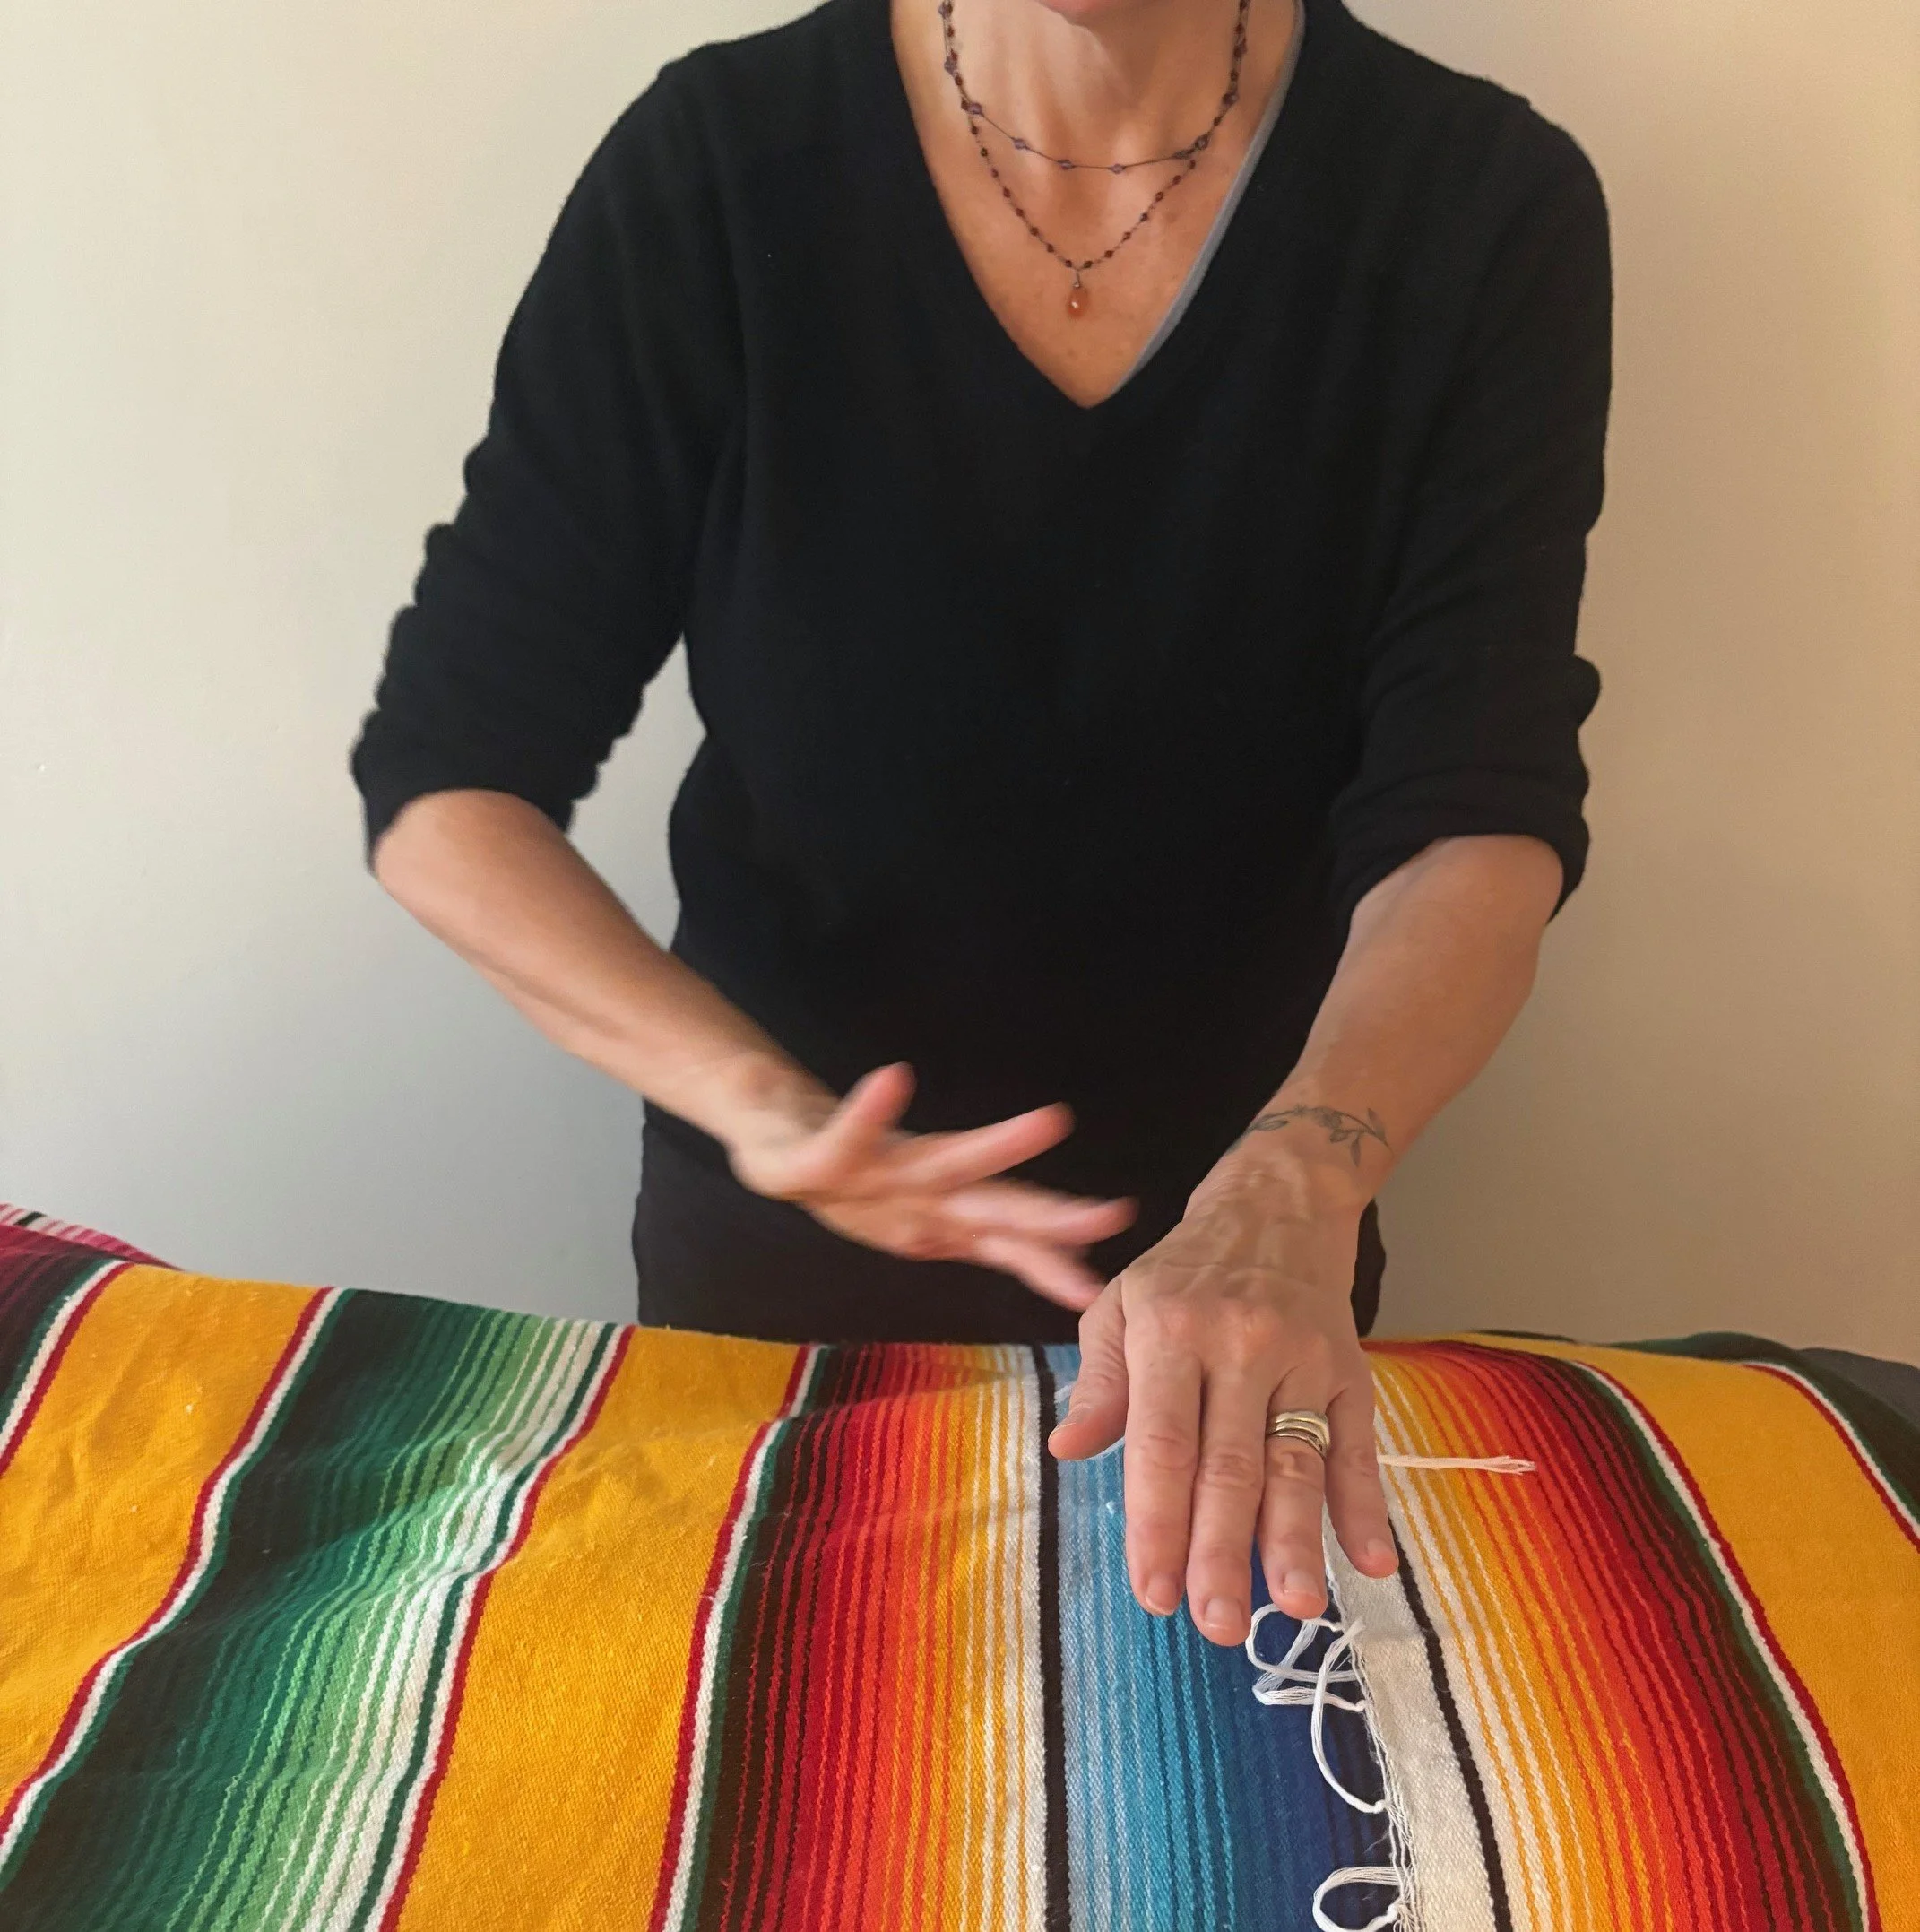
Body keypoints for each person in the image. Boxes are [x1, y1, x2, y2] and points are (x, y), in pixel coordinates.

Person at [351, 0, 1610, 1652]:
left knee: (1201, 1753)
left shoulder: (1475, 198)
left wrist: (1297, 1186)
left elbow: (1475, 803)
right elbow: (449, 782)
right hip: (784, 1239)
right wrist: (764, 1108)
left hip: (1249, 1251)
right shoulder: (722, 162)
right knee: (784, 1729)